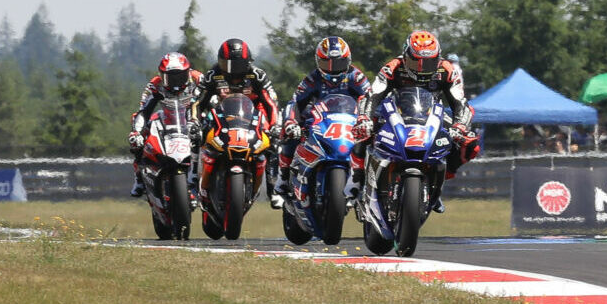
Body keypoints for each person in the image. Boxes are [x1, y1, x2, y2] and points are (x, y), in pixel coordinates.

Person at [358, 30, 475, 212]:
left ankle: (437, 187)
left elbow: (461, 103)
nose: (421, 68)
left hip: (432, 115)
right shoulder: (393, 66)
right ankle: (356, 178)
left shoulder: (447, 69)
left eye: (428, 62)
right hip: (394, 111)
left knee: (468, 143)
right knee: (363, 131)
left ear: (438, 58)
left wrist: (459, 127)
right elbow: (372, 95)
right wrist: (364, 119)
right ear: (405, 56)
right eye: (416, 61)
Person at [274, 36, 370, 207]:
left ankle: (365, 183)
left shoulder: (357, 76)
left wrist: (365, 118)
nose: (332, 70)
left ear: (347, 61)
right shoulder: (312, 78)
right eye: (327, 64)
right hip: (319, 120)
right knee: (289, 134)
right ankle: (283, 176)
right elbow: (295, 101)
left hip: (350, 122)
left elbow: (369, 98)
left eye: (338, 64)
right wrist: (291, 122)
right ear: (318, 62)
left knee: (372, 138)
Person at [194, 38, 281, 200]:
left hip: (251, 119)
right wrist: (194, 122)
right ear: (220, 62)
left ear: (247, 63)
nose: (233, 71)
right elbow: (197, 102)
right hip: (220, 118)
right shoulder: (213, 75)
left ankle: (273, 187)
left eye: (238, 66)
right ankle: (193, 178)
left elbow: (271, 103)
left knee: (272, 141)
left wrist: (275, 125)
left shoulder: (257, 75)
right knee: (195, 136)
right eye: (227, 65)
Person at [126, 52, 204, 197]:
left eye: (180, 76)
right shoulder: (155, 85)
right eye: (170, 77)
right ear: (162, 76)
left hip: (192, 116)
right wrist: (136, 132)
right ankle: (139, 178)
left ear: (188, 72)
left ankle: (201, 174)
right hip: (167, 118)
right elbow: (143, 111)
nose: (176, 82)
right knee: (138, 134)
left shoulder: (198, 78)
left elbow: (212, 99)